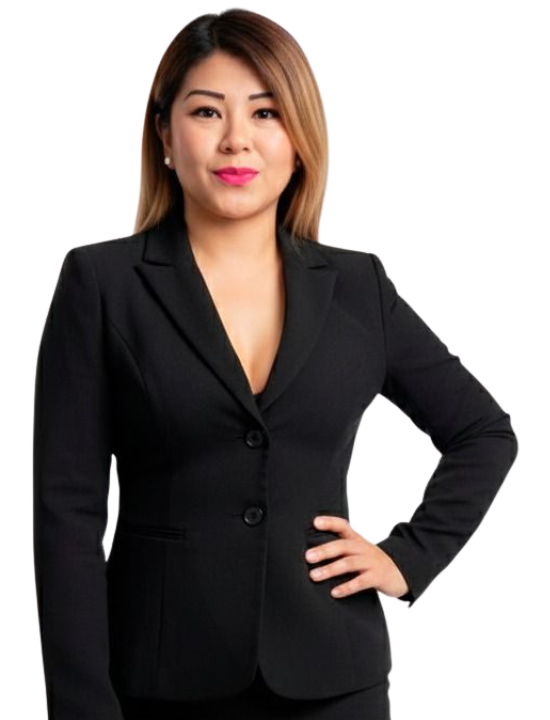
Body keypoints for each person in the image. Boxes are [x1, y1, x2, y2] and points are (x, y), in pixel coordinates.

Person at [32, 8, 519, 720]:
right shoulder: (101, 283)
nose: (237, 138)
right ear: (164, 134)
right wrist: (81, 707)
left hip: (336, 679)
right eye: (207, 111)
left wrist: (409, 557)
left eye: (265, 113)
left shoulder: (358, 285)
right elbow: (67, 511)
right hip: (160, 678)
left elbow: (484, 431)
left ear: (299, 139)